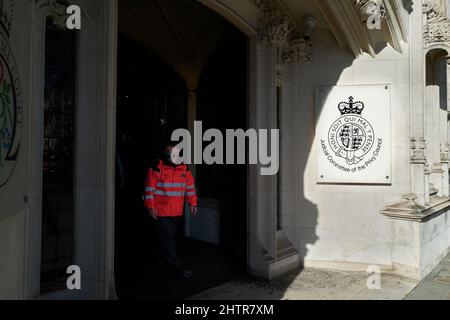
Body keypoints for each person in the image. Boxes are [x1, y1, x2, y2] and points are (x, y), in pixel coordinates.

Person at [144, 145, 198, 279]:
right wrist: (151, 207)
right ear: (166, 155)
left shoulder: (184, 169)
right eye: (169, 153)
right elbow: (149, 189)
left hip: (176, 212)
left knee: (168, 238)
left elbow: (190, 188)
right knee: (168, 237)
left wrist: (193, 203)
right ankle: (176, 268)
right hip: (161, 211)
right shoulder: (157, 168)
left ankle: (162, 259)